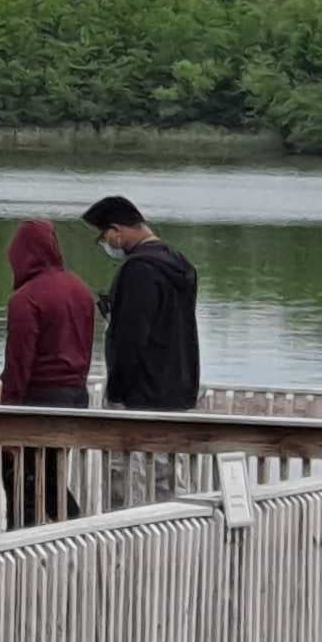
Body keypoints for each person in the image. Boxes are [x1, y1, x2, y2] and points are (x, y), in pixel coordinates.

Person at [85, 193, 200, 502]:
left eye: (105, 235)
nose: (107, 243)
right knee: (167, 478)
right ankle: (175, 539)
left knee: (126, 477)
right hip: (178, 389)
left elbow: (131, 337)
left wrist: (118, 392)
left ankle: (126, 542)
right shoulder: (181, 266)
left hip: (141, 394)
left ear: (117, 230)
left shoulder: (139, 270)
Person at [0, 216, 96, 526]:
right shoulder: (80, 290)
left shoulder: (25, 299)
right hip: (75, 397)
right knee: (50, 477)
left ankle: (19, 544)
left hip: (37, 399)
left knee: (18, 479)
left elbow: (18, 363)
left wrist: (9, 413)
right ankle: (76, 532)